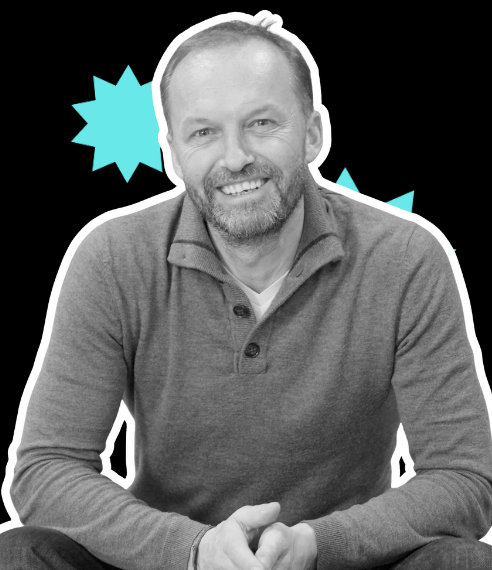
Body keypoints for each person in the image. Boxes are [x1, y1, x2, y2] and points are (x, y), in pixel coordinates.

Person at [1, 12, 492, 570]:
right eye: (204, 132)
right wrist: (192, 550)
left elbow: (464, 478)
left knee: (465, 563)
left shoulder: (405, 260)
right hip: (170, 565)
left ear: (313, 134)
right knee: (17, 555)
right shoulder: (114, 259)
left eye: (261, 123)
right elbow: (46, 469)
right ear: (173, 153)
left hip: (345, 563)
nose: (235, 158)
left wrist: (318, 544)